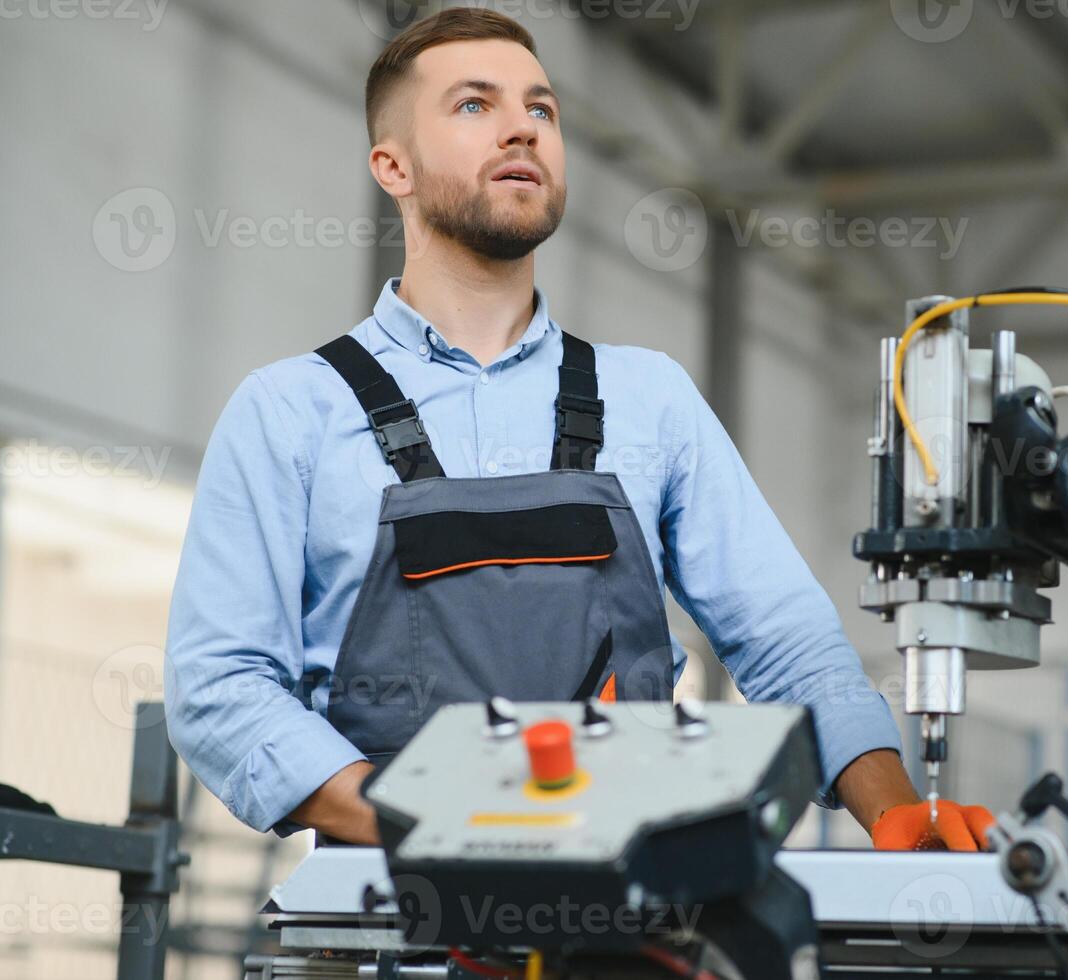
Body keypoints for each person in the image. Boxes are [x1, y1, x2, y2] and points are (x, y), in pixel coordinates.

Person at [163, 7, 991, 851]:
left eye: (542, 109)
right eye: (475, 106)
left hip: (631, 924)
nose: (522, 127)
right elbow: (221, 686)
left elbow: (785, 639)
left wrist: (894, 814)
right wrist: (420, 814)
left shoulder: (651, 399)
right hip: (381, 923)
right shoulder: (290, 412)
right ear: (392, 165)